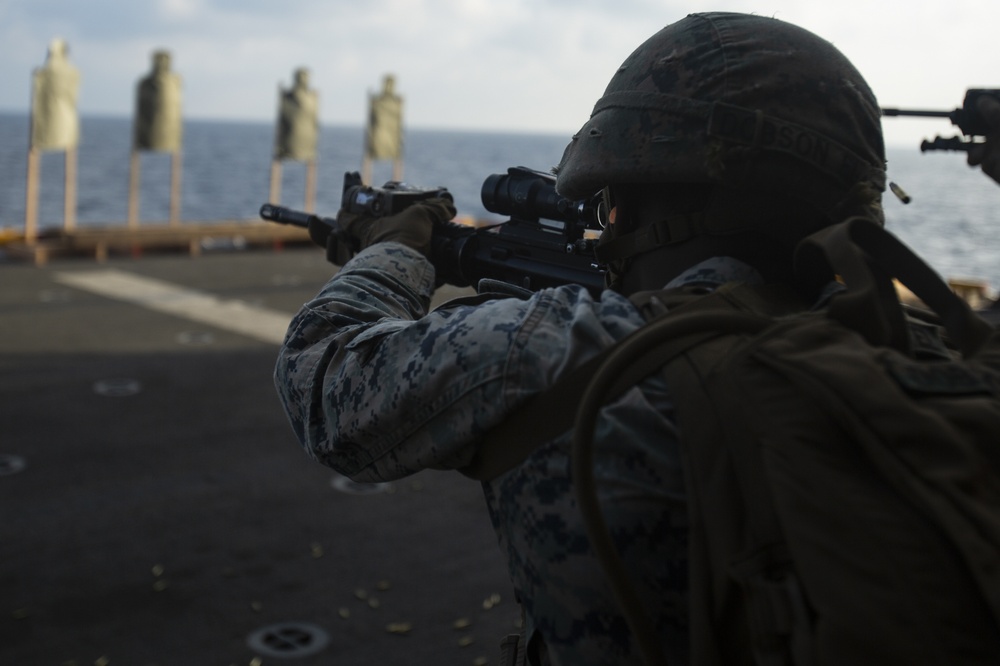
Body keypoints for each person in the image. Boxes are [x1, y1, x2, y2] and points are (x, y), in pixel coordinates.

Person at [275, 12, 912, 664]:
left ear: (645, 200)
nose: (605, 233)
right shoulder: (922, 349)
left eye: (609, 207)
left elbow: (322, 379)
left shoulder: (567, 350)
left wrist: (395, 249)